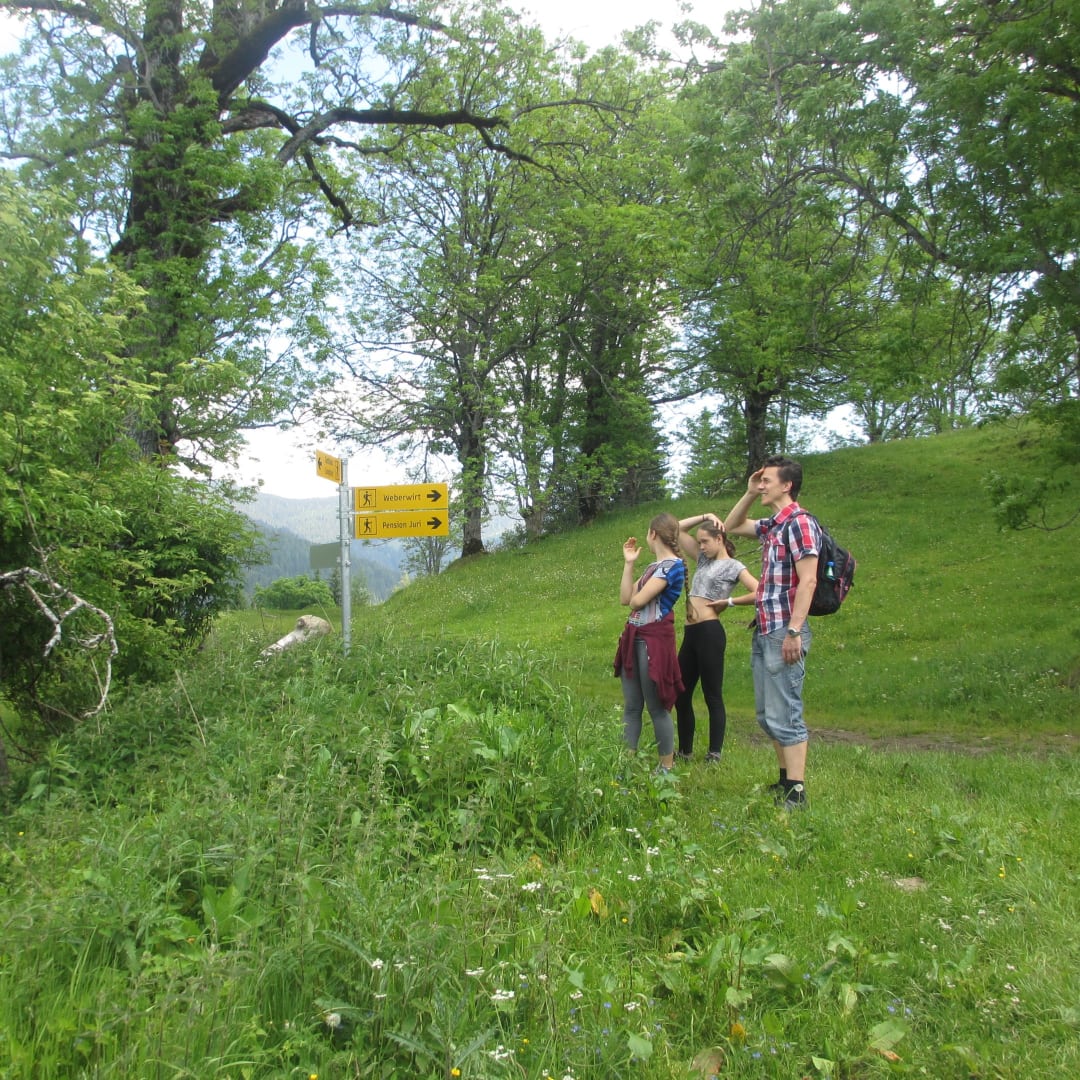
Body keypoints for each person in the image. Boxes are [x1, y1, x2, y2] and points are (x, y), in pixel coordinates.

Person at [724, 456, 821, 808]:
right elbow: (732, 526)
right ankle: (785, 781)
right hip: (765, 629)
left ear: (787, 485)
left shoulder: (800, 523)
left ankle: (797, 792)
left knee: (786, 713)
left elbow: (808, 581)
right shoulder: (773, 526)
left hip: (784, 630)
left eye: (767, 480)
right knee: (767, 716)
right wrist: (750, 492)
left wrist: (794, 631)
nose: (762, 484)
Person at [674, 514, 759, 764]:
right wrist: (705, 516)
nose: (701, 546)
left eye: (705, 541)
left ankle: (714, 753)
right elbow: (676, 529)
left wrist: (730, 601)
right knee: (681, 693)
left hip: (710, 632)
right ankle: (685, 751)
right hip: (691, 633)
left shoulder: (734, 566)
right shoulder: (702, 561)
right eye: (699, 542)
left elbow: (759, 591)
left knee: (712, 694)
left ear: (719, 539)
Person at [613, 513, 686, 773]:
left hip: (653, 641)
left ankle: (666, 767)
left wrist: (636, 596)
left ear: (653, 534)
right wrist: (629, 563)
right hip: (634, 639)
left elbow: (637, 601)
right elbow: (625, 598)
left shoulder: (672, 566)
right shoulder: (652, 568)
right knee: (632, 706)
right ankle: (625, 765)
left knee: (657, 707)